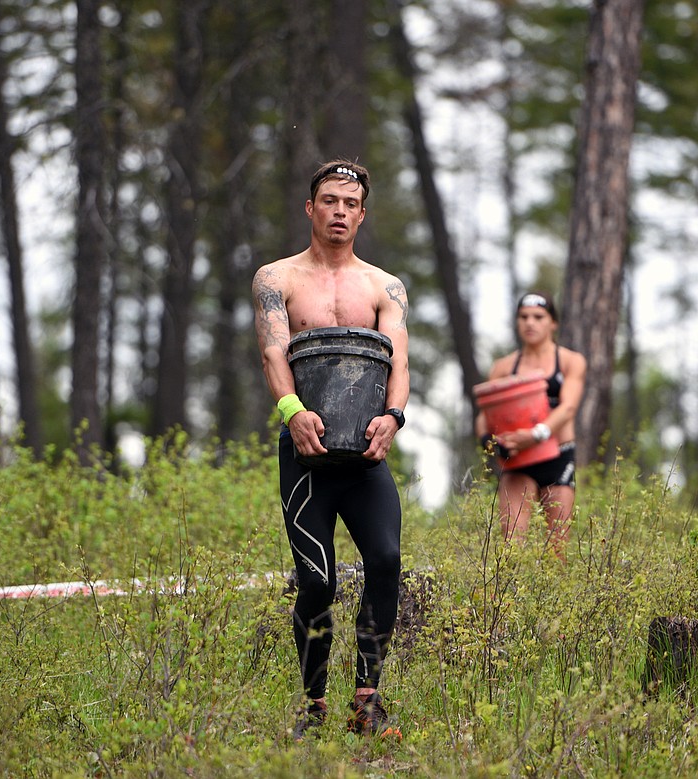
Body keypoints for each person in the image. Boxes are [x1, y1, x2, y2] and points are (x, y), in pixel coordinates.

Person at [251, 159, 409, 740]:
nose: (339, 211)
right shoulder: (277, 278)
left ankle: (367, 699)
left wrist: (394, 417)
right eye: (329, 201)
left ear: (362, 214)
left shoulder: (383, 285)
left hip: (366, 453)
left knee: (386, 561)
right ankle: (313, 702)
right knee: (316, 581)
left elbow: (399, 359)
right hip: (305, 452)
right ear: (310, 208)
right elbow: (273, 353)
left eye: (349, 203)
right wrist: (293, 414)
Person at [475, 291, 586, 550]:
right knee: (511, 544)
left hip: (557, 457)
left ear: (553, 323)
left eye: (538, 317)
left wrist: (536, 434)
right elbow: (484, 417)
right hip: (517, 462)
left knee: (556, 548)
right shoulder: (503, 368)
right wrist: (490, 443)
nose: (530, 323)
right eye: (524, 317)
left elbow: (568, 407)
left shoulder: (570, 361)